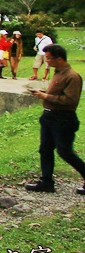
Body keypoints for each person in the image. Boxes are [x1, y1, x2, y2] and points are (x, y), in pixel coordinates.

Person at [24, 44, 85, 194]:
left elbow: (70, 100)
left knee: (64, 151)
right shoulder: (57, 73)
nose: (47, 61)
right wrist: (43, 92)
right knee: (45, 149)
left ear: (59, 59)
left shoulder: (72, 76)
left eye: (49, 58)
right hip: (49, 116)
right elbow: (57, 93)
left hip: (63, 119)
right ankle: (46, 182)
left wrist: (45, 96)